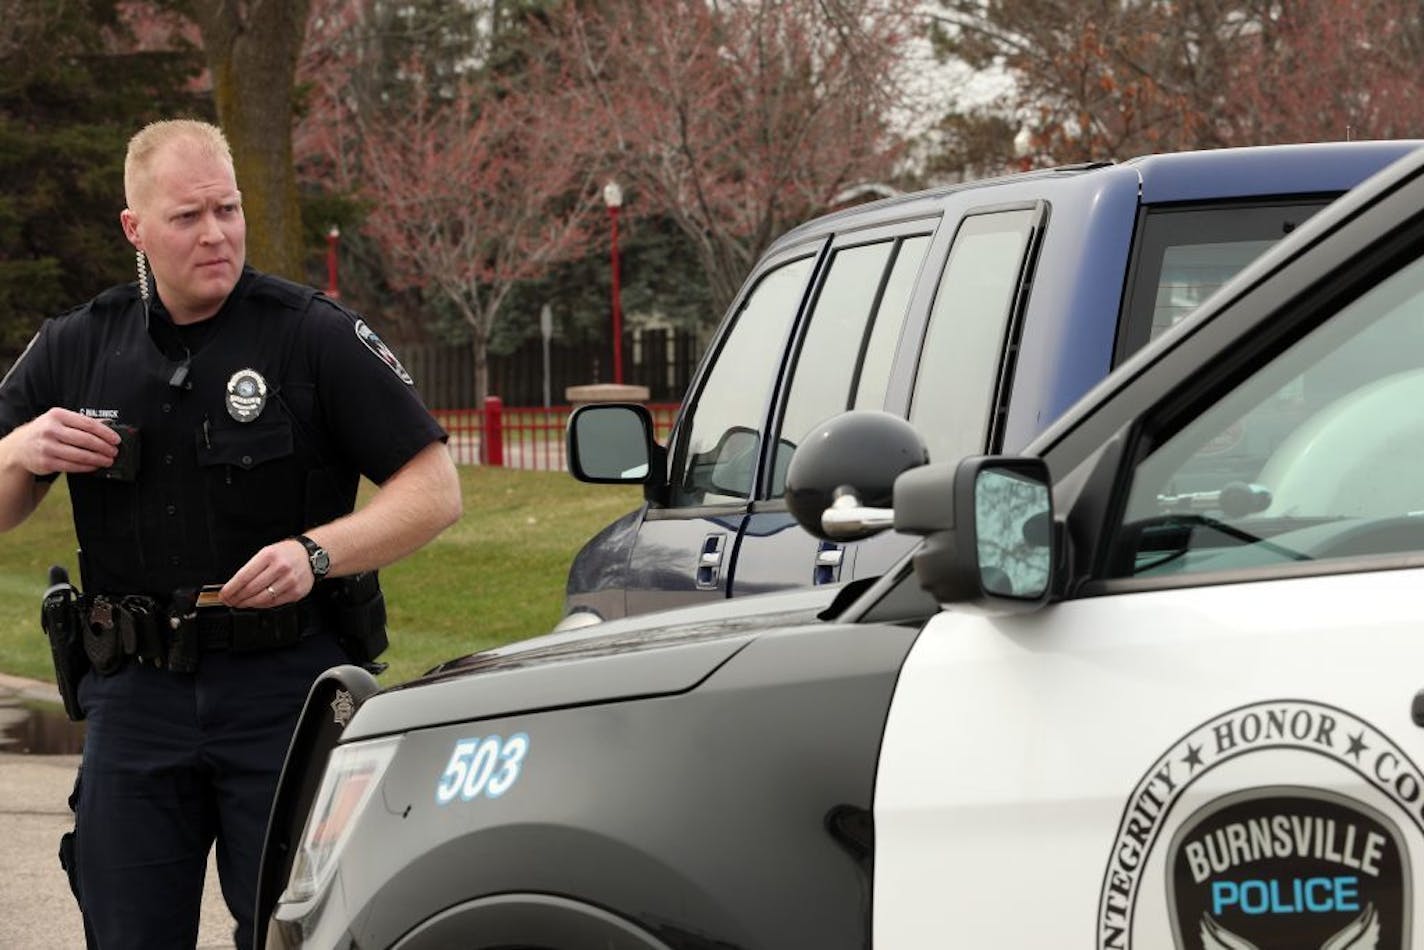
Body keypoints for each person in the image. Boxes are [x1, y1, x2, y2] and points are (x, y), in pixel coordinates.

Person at [0, 119, 462, 948]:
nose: (216, 233)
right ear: (135, 229)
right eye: (187, 217)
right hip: (135, 696)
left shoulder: (311, 334)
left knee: (303, 933)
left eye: (229, 208)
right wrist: (17, 450)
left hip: (284, 690)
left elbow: (434, 488)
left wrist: (317, 553)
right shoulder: (76, 347)